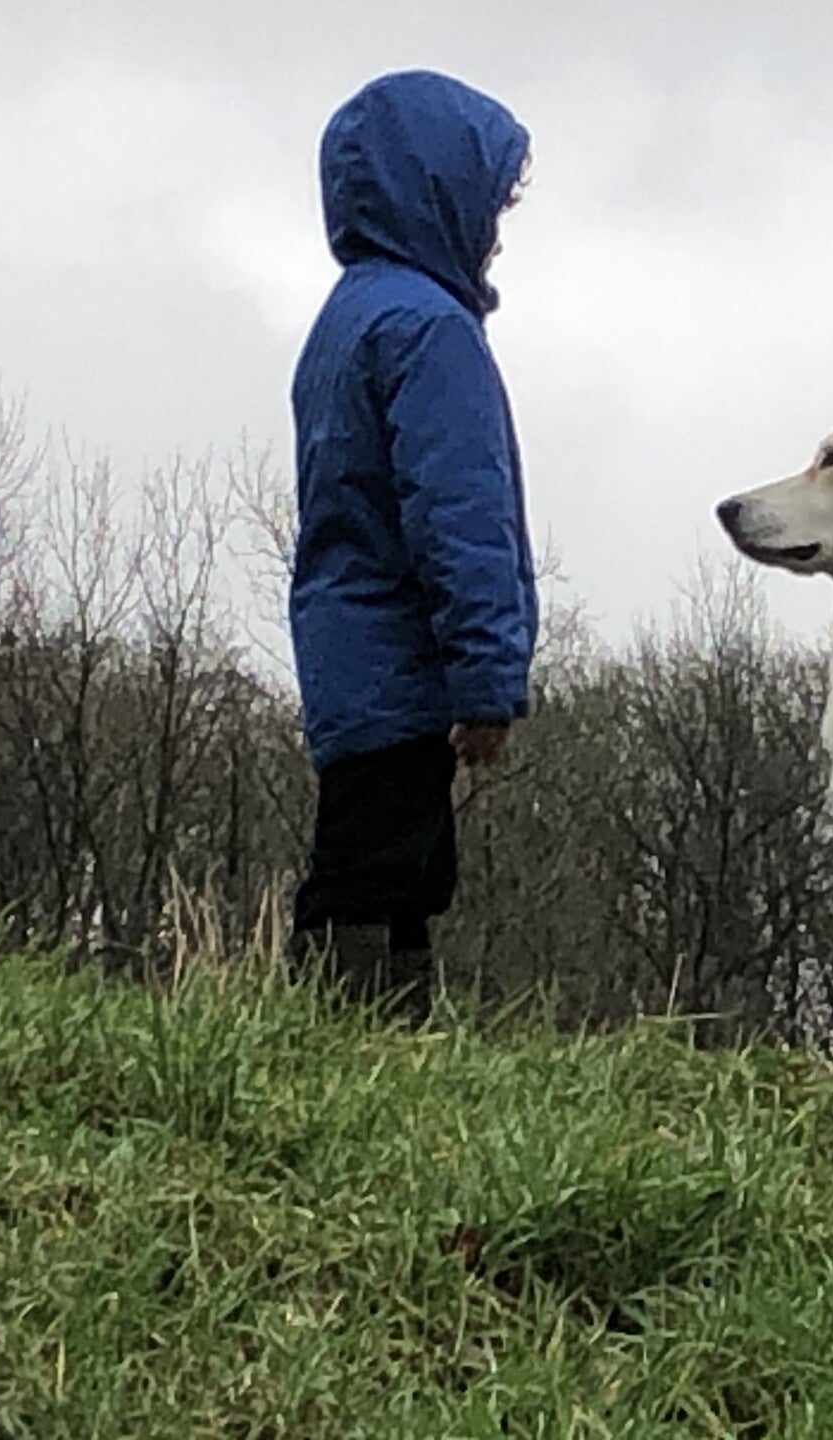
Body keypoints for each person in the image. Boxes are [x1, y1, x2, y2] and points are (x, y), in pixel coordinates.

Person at [286, 70, 537, 1019]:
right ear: (438, 193)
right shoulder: (432, 333)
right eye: (491, 203)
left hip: (350, 658)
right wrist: (485, 673)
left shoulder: (346, 321)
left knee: (378, 858)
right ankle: (341, 1047)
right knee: (383, 875)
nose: (498, 229)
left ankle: (370, 1048)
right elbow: (457, 512)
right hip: (404, 663)